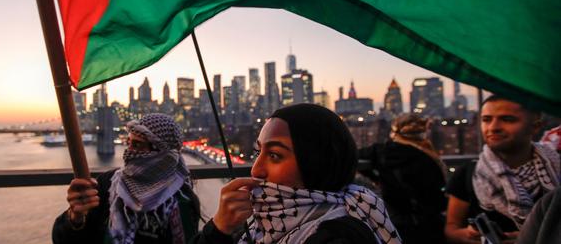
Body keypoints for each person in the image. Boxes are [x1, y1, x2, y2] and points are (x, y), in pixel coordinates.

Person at [193, 103, 402, 244]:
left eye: (274, 155)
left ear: (316, 162)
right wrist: (220, 227)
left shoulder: (336, 237)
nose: (256, 169)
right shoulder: (264, 224)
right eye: (258, 152)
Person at [52, 113, 201, 244]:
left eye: (137, 145)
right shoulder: (107, 184)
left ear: (163, 154)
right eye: (128, 143)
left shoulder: (181, 201)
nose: (128, 152)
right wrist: (75, 217)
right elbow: (63, 239)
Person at [445, 96, 560, 244]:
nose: (493, 127)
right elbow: (451, 229)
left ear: (536, 126)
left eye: (507, 119)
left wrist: (528, 237)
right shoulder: (468, 173)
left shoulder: (556, 169)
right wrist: (470, 235)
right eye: (486, 119)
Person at [358, 114, 447, 243]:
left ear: (395, 132)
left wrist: (376, 177)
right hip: (429, 227)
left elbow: (354, 156)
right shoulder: (429, 159)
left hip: (395, 225)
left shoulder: (382, 151)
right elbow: (438, 200)